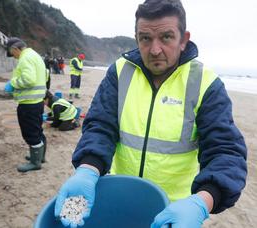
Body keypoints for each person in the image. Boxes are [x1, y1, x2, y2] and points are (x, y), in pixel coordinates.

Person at [54, 0, 247, 227]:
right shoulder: (119, 72)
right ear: (137, 38)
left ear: (183, 40)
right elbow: (100, 125)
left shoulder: (205, 83)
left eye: (166, 37)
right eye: (145, 38)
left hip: (174, 209)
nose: (155, 50)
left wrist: (202, 202)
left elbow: (226, 151)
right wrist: (87, 168)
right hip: (120, 194)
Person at [4, 37, 47, 172]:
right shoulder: (35, 55)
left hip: (28, 103)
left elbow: (29, 79)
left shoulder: (25, 58)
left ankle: (35, 163)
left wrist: (13, 83)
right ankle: (40, 157)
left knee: (30, 133)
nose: (14, 57)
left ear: (15, 49)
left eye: (13, 54)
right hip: (38, 101)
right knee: (37, 130)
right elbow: (45, 75)